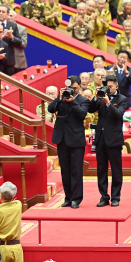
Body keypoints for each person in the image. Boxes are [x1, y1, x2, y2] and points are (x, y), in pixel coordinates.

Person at [48, 80, 90, 209]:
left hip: (76, 140)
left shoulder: (83, 100)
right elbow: (50, 109)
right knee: (65, 170)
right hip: (62, 139)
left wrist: (72, 101)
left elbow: (82, 114)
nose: (72, 90)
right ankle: (68, 197)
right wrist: (59, 98)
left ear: (79, 88)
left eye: (75, 88)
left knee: (76, 170)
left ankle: (76, 199)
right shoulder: (62, 98)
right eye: (70, 88)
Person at [88, 75, 127, 207]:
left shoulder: (122, 99)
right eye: (107, 86)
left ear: (116, 86)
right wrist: (96, 97)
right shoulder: (101, 97)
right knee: (101, 169)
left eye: (110, 86)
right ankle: (104, 196)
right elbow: (90, 109)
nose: (108, 89)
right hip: (100, 138)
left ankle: (116, 197)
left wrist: (108, 103)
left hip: (114, 139)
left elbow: (119, 115)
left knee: (116, 169)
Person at [0, 5, 22, 76]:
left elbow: (20, 42)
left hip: (9, 60)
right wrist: (1, 36)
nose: (1, 13)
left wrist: (11, 37)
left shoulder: (13, 25)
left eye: (3, 12)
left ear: (7, 14)